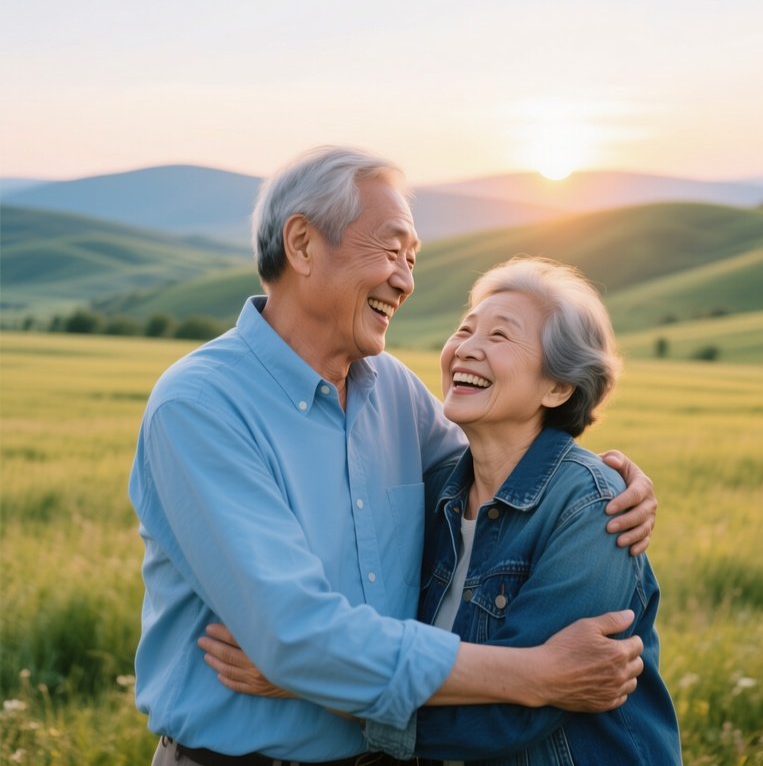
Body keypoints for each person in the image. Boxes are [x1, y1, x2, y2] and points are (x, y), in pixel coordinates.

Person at [130, 146, 657, 766]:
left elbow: (508, 472)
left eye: (412, 260)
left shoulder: (395, 393)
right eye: (391, 250)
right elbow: (294, 638)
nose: (405, 279)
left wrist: (607, 481)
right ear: (301, 244)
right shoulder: (201, 406)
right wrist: (536, 674)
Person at [201, 256, 681, 764]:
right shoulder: (433, 493)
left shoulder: (592, 509)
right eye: (464, 329)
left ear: (558, 386)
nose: (467, 348)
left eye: (500, 337)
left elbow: (510, 714)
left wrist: (308, 682)